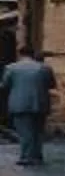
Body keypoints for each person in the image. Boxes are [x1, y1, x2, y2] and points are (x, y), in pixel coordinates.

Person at [3, 38, 51, 166]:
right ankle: (37, 155)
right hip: (41, 103)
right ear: (32, 54)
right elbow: (51, 85)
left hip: (20, 104)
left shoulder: (11, 68)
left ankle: (26, 156)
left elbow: (5, 85)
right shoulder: (44, 68)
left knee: (24, 132)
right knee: (38, 131)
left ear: (20, 54)